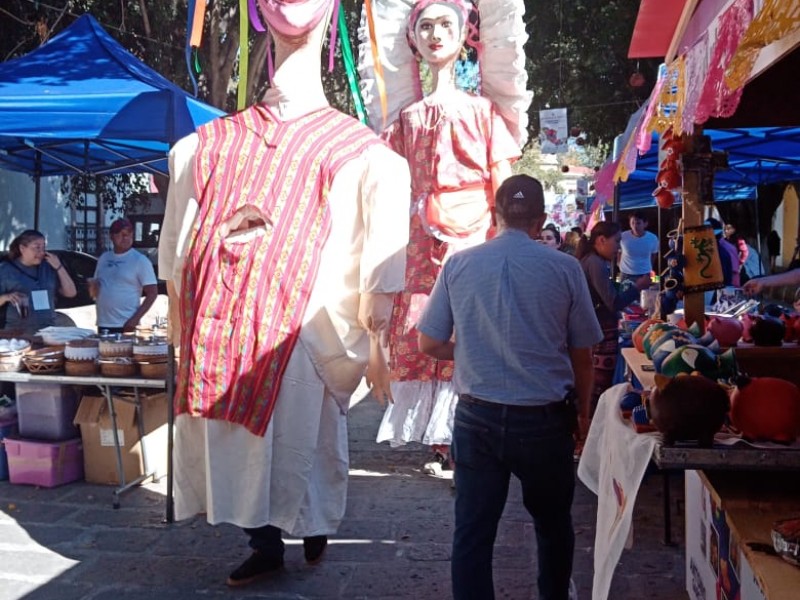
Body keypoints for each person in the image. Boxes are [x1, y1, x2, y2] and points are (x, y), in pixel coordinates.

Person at [157, 0, 410, 588]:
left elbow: (383, 264)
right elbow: (176, 251)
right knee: (247, 453)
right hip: (227, 329)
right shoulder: (207, 146)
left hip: (306, 331)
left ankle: (314, 522)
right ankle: (264, 541)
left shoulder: (365, 154)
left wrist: (378, 336)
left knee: (307, 440)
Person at [417, 174, 602, 600]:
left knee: (473, 532)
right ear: (540, 221)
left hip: (476, 419)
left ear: (496, 215)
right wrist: (584, 414)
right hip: (544, 420)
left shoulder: (459, 265)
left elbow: (429, 342)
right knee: (553, 525)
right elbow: (582, 355)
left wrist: (471, 351)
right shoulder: (565, 267)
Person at [369, 0, 526, 475]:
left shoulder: (483, 112)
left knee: (474, 329)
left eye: (445, 25)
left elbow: (500, 183)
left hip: (474, 240)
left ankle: (474, 433)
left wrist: (505, 244)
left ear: (465, 35)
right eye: (426, 26)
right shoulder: (404, 120)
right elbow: (388, 189)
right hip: (416, 246)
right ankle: (449, 441)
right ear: (412, 40)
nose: (436, 34)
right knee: (427, 330)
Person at [577, 221, 650, 415]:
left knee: (596, 382)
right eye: (616, 241)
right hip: (601, 329)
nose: (619, 248)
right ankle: (592, 427)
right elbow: (613, 302)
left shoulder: (590, 261)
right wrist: (638, 287)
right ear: (601, 240)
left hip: (596, 328)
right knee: (600, 382)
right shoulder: (595, 263)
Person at [0, 229, 77, 334]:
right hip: (18, 332)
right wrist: (6, 297)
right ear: (22, 248)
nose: (41, 252)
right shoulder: (6, 270)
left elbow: (71, 293)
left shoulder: (48, 267)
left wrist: (59, 267)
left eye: (43, 247)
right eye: (36, 247)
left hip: (48, 331)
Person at [89, 218, 158, 334]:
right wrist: (93, 287)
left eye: (129, 234)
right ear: (111, 236)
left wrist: (134, 320)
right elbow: (96, 289)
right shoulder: (104, 258)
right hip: (103, 323)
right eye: (121, 234)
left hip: (126, 324)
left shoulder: (140, 260)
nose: (125, 237)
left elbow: (152, 293)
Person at [618, 211, 658, 283]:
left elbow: (653, 255)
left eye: (638, 223)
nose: (635, 226)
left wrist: (648, 268)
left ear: (645, 224)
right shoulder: (623, 236)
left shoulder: (653, 238)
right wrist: (618, 263)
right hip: (625, 274)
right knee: (624, 294)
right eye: (632, 223)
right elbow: (618, 251)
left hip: (645, 274)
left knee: (645, 294)